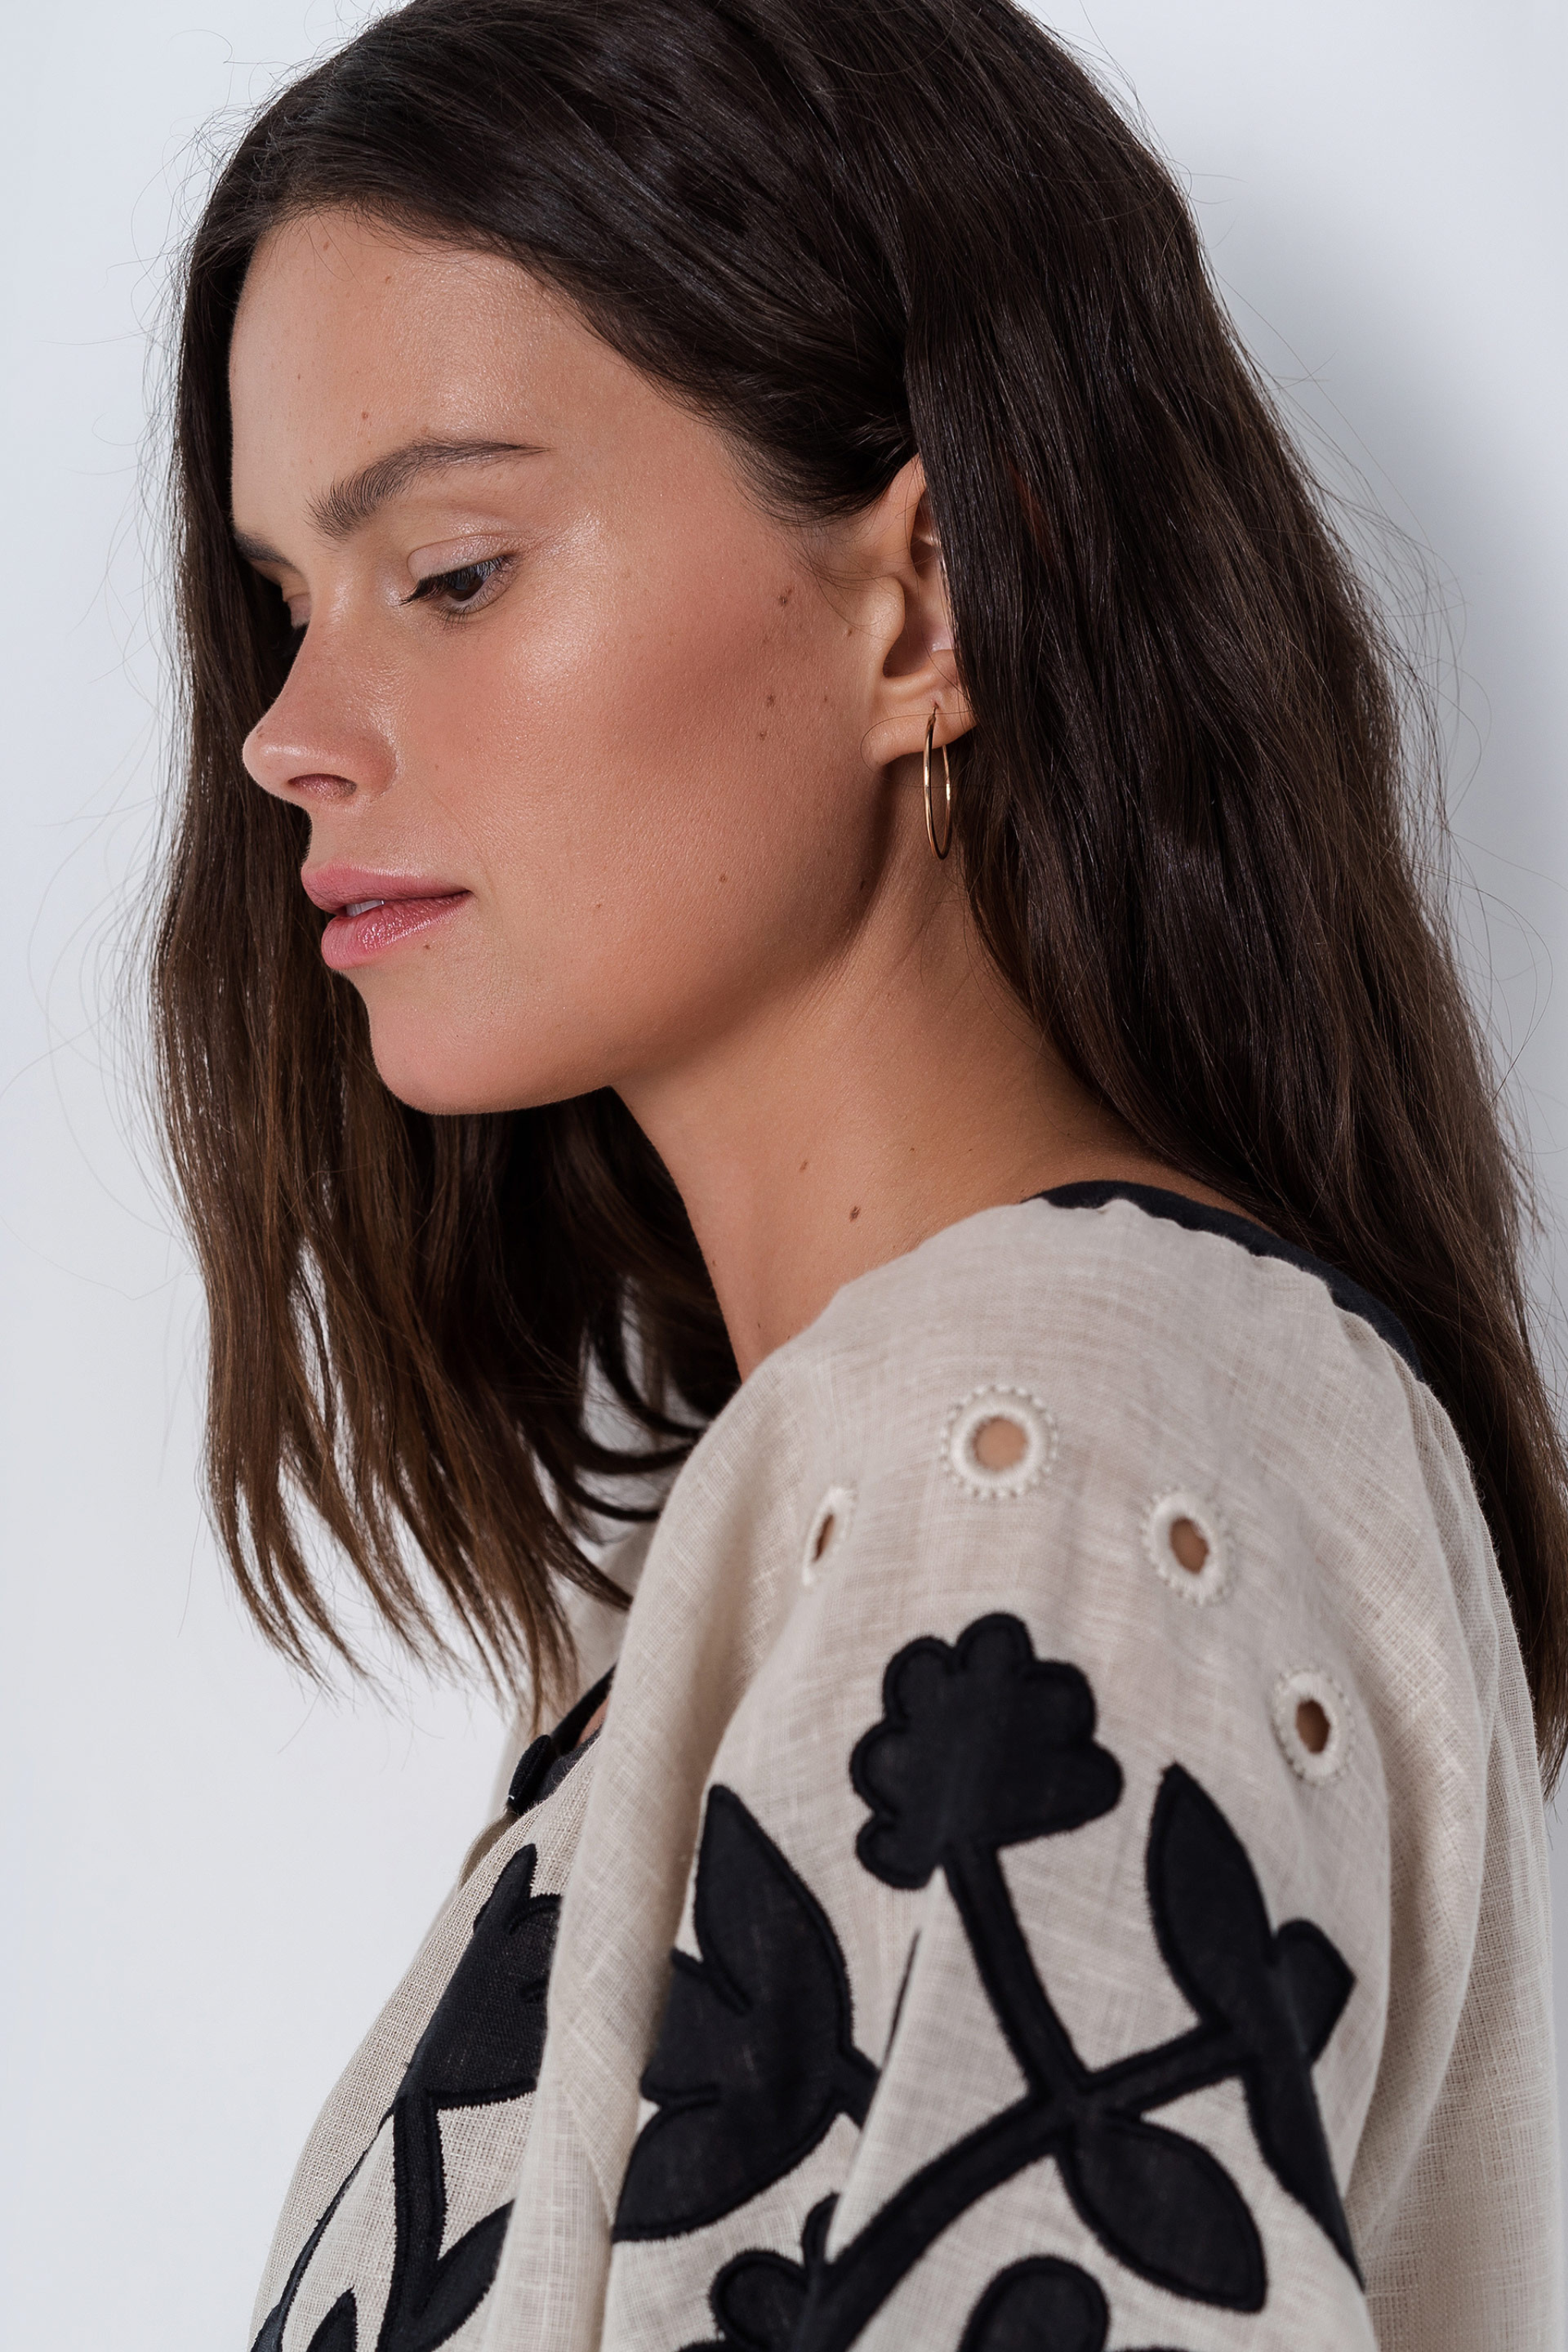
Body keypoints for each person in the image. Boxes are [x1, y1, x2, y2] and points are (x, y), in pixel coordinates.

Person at [153, 0, 1563, 2341]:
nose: (289, 738)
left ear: (923, 598)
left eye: (457, 569)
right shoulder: (937, 1470)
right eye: (288, 601)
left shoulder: (1048, 1454)